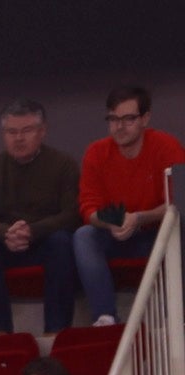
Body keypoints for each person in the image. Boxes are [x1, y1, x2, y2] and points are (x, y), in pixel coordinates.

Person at [0, 100, 82, 336]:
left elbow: (71, 215)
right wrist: (6, 233)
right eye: (11, 132)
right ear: (3, 135)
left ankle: (56, 331)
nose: (18, 138)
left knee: (63, 241)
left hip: (46, 239)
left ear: (42, 132)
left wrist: (32, 230)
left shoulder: (64, 165)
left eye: (26, 130)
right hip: (7, 243)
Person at [74, 88, 185, 327]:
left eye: (128, 119)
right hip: (115, 233)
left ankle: (171, 318)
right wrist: (113, 221)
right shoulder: (96, 152)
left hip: (157, 233)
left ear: (145, 119)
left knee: (180, 230)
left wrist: (138, 218)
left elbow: (178, 204)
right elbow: (88, 208)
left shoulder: (166, 146)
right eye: (113, 119)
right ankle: (105, 318)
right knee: (84, 236)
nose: (119, 126)